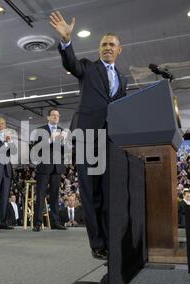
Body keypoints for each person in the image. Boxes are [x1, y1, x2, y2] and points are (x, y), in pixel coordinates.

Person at [50, 11, 127, 260]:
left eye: (111, 45)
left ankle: (110, 238)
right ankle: (97, 243)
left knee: (107, 192)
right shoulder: (87, 67)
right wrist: (66, 42)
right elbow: (70, 63)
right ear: (99, 48)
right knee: (90, 191)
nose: (107, 48)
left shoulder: (123, 78)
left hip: (111, 140)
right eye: (104, 44)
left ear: (119, 50)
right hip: (87, 138)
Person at [33, 108, 67, 232]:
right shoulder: (40, 130)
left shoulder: (62, 131)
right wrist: (50, 139)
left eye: (57, 115)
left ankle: (56, 222)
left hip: (57, 167)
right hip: (44, 166)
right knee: (41, 195)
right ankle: (37, 223)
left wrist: (64, 142)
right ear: (48, 117)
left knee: (55, 196)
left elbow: (65, 151)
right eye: (53, 115)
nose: (56, 117)